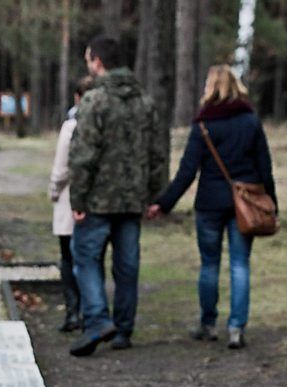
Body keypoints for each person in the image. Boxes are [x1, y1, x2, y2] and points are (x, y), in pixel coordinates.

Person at [147, 65, 278, 349]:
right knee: (240, 264)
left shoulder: (204, 124)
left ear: (210, 87)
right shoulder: (250, 121)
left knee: (209, 265)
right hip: (245, 203)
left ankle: (208, 324)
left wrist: (163, 203)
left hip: (209, 204)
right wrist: (271, 204)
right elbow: (265, 168)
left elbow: (186, 172)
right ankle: (236, 328)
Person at [67, 35, 166, 356]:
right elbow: (157, 153)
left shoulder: (94, 102)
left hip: (98, 199)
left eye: (88, 60)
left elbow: (83, 155)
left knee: (85, 257)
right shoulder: (145, 103)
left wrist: (77, 199)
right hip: (133, 198)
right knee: (127, 265)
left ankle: (97, 319)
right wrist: (154, 194)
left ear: (97, 61)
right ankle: (123, 328)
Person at [49, 76, 94, 333]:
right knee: (89, 258)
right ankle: (90, 311)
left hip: (69, 199)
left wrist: (53, 191)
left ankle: (72, 312)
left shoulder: (71, 126)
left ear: (77, 97)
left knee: (68, 257)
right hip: (95, 202)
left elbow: (60, 168)